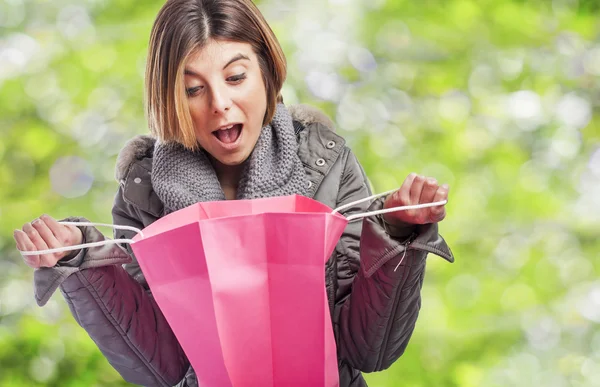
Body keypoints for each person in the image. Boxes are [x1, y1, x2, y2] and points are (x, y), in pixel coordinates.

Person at [13, 0, 454, 386]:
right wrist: (79, 260)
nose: (219, 103)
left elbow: (369, 351)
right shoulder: (145, 192)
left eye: (235, 76)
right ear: (169, 98)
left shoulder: (327, 165)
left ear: (266, 73)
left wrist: (397, 234)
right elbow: (159, 368)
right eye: (193, 89)